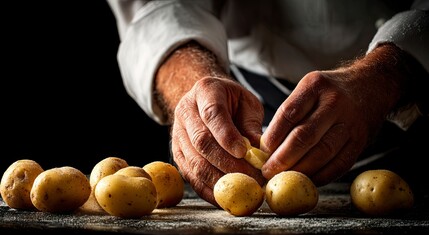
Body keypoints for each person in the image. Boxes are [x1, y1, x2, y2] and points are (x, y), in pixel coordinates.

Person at [107, 0, 429, 206]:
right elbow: (158, 8)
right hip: (242, 98)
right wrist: (193, 84)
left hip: (409, 100)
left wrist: (386, 76)